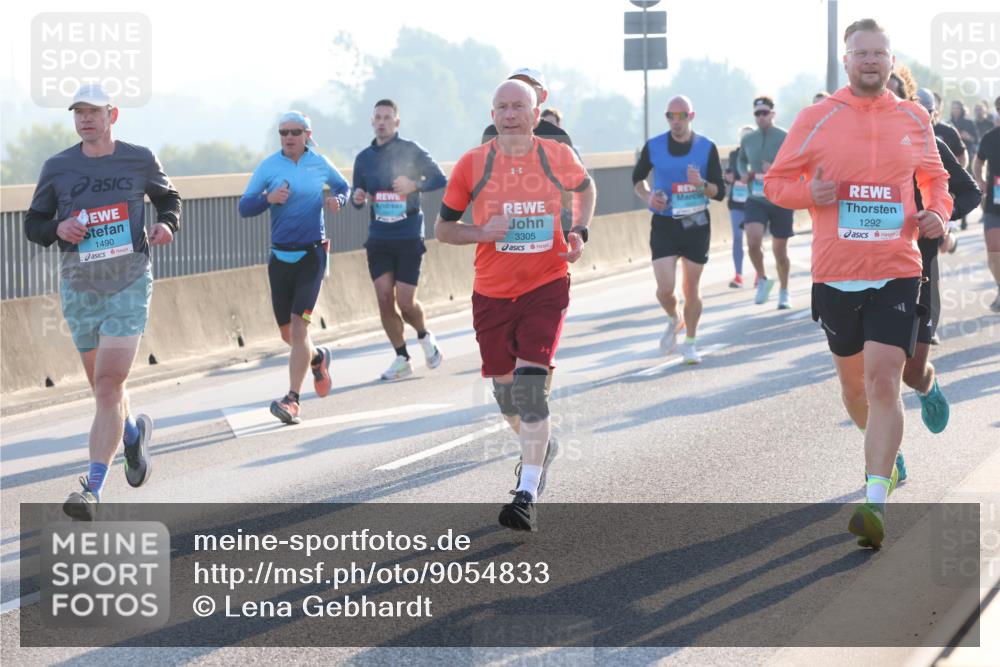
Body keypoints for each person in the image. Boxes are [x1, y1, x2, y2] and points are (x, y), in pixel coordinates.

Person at [765, 18, 952, 549]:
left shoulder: (913, 117)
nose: (870, 61)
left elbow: (936, 180)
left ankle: (874, 501)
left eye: (879, 53)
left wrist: (937, 213)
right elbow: (776, 183)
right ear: (846, 61)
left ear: (892, 61)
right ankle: (887, 456)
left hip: (897, 269)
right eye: (861, 53)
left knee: (883, 381)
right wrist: (810, 193)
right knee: (853, 389)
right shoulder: (817, 118)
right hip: (836, 273)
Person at [436, 79, 596, 532]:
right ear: (492, 115)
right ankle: (541, 446)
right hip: (491, 293)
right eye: (502, 107)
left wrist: (579, 231)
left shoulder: (556, 155)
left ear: (535, 114)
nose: (510, 115)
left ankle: (526, 492)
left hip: (546, 285)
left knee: (529, 388)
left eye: (518, 107)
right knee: (507, 395)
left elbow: (585, 188)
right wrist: (481, 232)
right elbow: (443, 229)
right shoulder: (472, 164)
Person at [24, 83, 181, 520]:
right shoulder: (58, 167)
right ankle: (131, 436)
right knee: (103, 390)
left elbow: (168, 197)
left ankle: (91, 489)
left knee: (109, 384)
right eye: (79, 112)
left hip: (129, 281)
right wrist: (58, 228)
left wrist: (167, 224)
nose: (85, 119)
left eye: (93, 111)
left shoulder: (139, 158)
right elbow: (33, 223)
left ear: (113, 115)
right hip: (79, 286)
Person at [887, 74, 981, 463]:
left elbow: (970, 191)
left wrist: (941, 217)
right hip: (868, 273)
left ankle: (927, 386)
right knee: (877, 374)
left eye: (894, 93)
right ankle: (886, 456)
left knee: (910, 372)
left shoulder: (927, 142)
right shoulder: (852, 145)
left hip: (919, 270)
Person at [239, 111, 348, 424]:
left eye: (295, 132)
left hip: (312, 256)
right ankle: (317, 357)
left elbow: (343, 186)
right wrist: (268, 198)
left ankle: (292, 400)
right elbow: (244, 207)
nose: (288, 138)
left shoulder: (319, 163)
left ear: (307, 135)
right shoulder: (269, 166)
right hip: (280, 259)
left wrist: (338, 201)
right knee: (289, 335)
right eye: (283, 132)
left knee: (300, 328)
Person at [351, 99, 447, 381]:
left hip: (408, 233)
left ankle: (424, 336)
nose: (382, 122)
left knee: (405, 302)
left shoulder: (411, 150)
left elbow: (440, 178)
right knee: (384, 297)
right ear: (372, 122)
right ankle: (402, 357)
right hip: (379, 235)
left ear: (396, 122)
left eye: (387, 117)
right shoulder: (363, 159)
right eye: (378, 117)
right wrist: (358, 197)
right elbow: (358, 196)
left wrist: (414, 184)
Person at [632, 96, 726, 363]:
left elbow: (720, 192)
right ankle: (674, 318)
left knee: (691, 287)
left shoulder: (707, 147)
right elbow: (637, 179)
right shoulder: (654, 146)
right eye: (670, 116)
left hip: (696, 223)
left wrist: (701, 185)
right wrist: (649, 196)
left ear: (691, 116)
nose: (676, 121)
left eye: (682, 115)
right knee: (665, 289)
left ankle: (691, 343)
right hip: (664, 223)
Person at [738, 96, 796, 308]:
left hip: (780, 198)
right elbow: (741, 160)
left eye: (764, 113)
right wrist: (743, 173)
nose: (761, 117)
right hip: (756, 197)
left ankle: (784, 290)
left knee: (780, 252)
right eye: (757, 113)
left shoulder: (785, 136)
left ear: (772, 114)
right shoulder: (748, 139)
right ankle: (763, 279)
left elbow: (796, 164)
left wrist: (775, 169)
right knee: (753, 242)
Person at [973, 115, 1000, 313]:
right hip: (994, 202)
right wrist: (981, 182)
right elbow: (978, 162)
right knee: (993, 250)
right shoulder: (990, 137)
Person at [725, 126, 755, 287]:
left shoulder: (758, 155)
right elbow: (729, 174)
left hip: (754, 203)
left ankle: (759, 274)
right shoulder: (734, 155)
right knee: (737, 238)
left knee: (754, 240)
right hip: (736, 202)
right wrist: (728, 177)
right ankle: (738, 275)